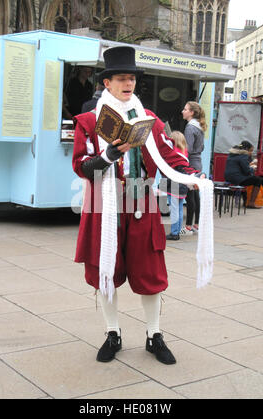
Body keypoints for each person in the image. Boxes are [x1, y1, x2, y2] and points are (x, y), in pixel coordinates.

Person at [72, 46, 205, 365]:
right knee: (105, 270)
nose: (128, 83)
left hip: (141, 199)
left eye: (131, 78)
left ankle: (154, 334)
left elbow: (169, 154)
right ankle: (112, 332)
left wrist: (193, 174)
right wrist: (108, 155)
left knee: (150, 271)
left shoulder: (149, 119)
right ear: (107, 83)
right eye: (121, 78)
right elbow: (81, 166)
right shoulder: (90, 121)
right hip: (102, 202)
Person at [182, 101, 207, 234]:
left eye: (185, 109)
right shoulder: (199, 127)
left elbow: (188, 149)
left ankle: (188, 227)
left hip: (191, 163)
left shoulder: (190, 127)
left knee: (190, 195)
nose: (183, 111)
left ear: (191, 112)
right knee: (196, 195)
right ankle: (197, 224)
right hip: (198, 162)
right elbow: (201, 147)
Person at [224, 140, 263, 209]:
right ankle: (251, 203)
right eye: (251, 151)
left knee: (249, 179)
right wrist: (252, 168)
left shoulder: (232, 154)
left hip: (228, 177)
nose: (251, 153)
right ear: (247, 150)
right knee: (258, 180)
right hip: (236, 178)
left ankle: (246, 201)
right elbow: (246, 171)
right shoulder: (243, 156)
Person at [166, 131, 190, 241]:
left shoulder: (173, 154)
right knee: (180, 208)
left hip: (175, 184)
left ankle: (174, 232)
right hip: (183, 183)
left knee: (174, 209)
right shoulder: (184, 152)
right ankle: (177, 230)